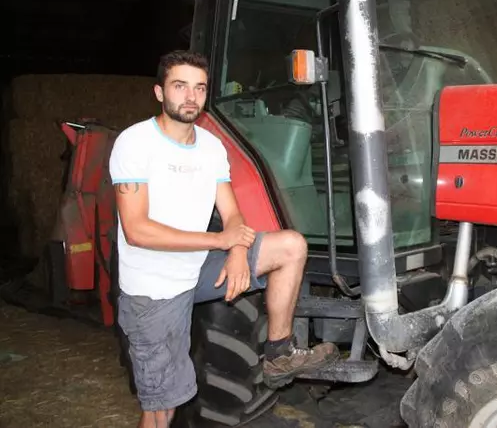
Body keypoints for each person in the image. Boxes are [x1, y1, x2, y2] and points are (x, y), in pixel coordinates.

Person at [109, 50, 339, 428]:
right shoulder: (135, 144)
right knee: (161, 408)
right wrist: (221, 242)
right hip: (155, 291)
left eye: (199, 88)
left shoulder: (211, 147)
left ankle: (279, 352)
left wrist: (236, 250)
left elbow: (232, 214)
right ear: (158, 92)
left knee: (291, 246)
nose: (190, 97)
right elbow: (137, 231)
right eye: (180, 86)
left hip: (197, 269)